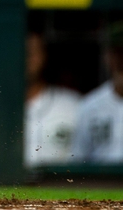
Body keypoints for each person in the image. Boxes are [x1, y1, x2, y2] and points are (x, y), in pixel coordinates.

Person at [72, 22, 123, 165]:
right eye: (116, 53)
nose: (122, 61)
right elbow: (78, 160)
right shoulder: (90, 105)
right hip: (102, 179)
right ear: (106, 56)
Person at [24, 33, 80, 168]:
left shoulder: (73, 104)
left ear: (44, 56)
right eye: (22, 52)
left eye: (33, 52)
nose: (27, 58)